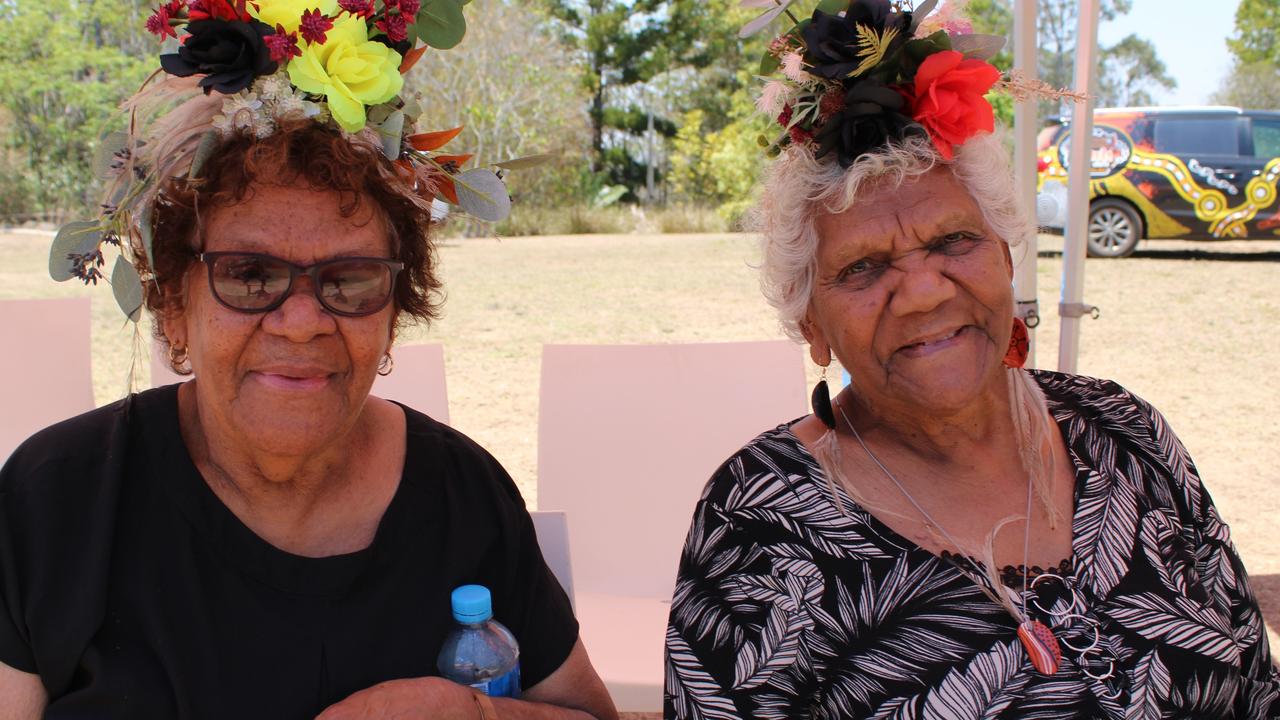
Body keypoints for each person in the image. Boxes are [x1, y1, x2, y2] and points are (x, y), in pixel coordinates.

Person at [0, 2, 616, 719]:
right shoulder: (56, 501)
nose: (302, 322)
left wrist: (476, 713)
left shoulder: (463, 496)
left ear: (392, 313)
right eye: (248, 274)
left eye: (349, 279)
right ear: (173, 303)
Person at [665, 2, 1280, 718]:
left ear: (1006, 257)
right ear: (813, 325)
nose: (923, 292)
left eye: (954, 241)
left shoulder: (1122, 430)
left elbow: (1258, 687)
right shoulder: (758, 517)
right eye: (864, 267)